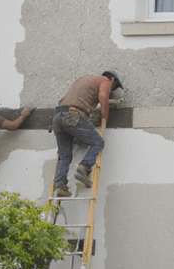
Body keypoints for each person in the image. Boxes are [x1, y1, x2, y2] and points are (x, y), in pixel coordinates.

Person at [52, 70, 122, 198]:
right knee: (98, 142)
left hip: (58, 117)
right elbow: (103, 98)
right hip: (72, 116)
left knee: (64, 155)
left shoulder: (85, 79)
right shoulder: (105, 81)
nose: (112, 89)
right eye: (115, 86)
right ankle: (83, 168)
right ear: (111, 79)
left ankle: (60, 185)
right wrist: (104, 116)